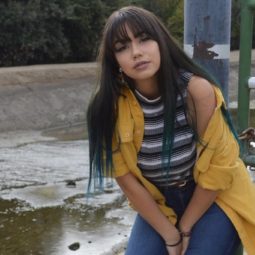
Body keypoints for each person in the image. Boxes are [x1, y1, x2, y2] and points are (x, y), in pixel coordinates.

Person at [87, 6, 255, 255]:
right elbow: (125, 177)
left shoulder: (197, 90)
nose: (136, 52)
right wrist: (170, 235)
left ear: (161, 42)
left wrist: (185, 229)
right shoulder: (108, 106)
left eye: (144, 39)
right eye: (123, 47)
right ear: (116, 61)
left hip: (214, 197)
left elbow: (220, 169)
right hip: (159, 200)